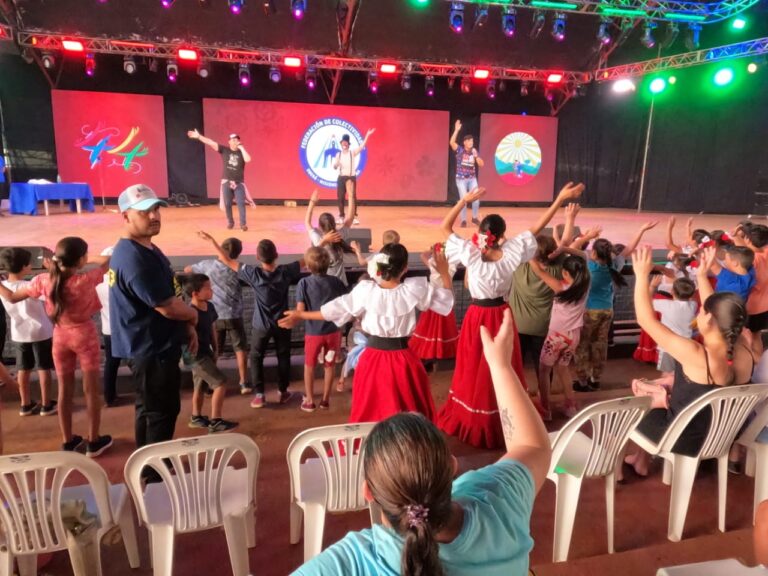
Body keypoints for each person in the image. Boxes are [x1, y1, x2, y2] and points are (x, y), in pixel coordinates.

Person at [292, 309, 552, 576]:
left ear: (368, 492)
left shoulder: (353, 562)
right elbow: (532, 446)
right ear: (452, 466)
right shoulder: (498, 503)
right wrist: (500, 365)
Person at [437, 183, 584, 449]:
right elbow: (538, 227)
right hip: (502, 315)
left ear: (481, 234)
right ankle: (508, 415)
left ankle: (475, 413)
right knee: (505, 365)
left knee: (474, 364)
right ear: (502, 235)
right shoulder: (513, 252)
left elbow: (446, 228)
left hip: (477, 316)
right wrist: (560, 198)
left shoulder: (470, 253)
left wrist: (465, 201)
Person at [280, 243, 454, 423]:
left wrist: (301, 314)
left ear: (379, 266)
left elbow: (333, 310)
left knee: (370, 411)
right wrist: (444, 273)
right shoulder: (414, 290)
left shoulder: (366, 291)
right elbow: (446, 301)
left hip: (372, 361)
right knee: (408, 413)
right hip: (404, 361)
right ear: (404, 269)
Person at [624, 246, 755, 478]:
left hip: (688, 436)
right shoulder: (745, 349)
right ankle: (638, 459)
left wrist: (642, 276)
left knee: (631, 407)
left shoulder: (695, 353)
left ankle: (628, 466)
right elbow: (718, 312)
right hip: (724, 435)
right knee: (664, 390)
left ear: (708, 319)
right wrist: (702, 276)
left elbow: (645, 319)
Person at [0, 238, 113, 457]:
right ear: (81, 260)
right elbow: (107, 261)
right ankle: (93, 441)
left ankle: (68, 440)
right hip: (85, 336)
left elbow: (12, 297)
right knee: (91, 392)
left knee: (64, 391)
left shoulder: (44, 280)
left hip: (60, 337)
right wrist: (80, 261)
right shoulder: (86, 279)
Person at [109, 184, 199, 450]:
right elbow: (167, 306)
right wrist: (192, 315)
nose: (154, 216)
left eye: (156, 209)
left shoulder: (146, 248)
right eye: (144, 211)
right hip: (150, 348)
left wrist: (185, 324)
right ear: (125, 216)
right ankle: (153, 475)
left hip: (153, 345)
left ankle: (148, 467)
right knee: (159, 412)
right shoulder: (135, 259)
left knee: (151, 408)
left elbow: (171, 296)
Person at [198, 232, 303, 409]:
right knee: (283, 356)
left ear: (257, 257)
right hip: (283, 324)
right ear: (276, 255)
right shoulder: (286, 271)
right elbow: (307, 259)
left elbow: (227, 261)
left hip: (261, 325)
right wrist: (323, 241)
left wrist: (213, 241)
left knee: (256, 357)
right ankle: (283, 391)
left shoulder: (253, 273)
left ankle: (260, 394)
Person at [572, 221, 658, 392]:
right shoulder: (614, 265)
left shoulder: (589, 265)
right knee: (600, 345)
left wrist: (587, 236)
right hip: (607, 311)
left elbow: (572, 248)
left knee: (583, 346)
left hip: (589, 312)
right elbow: (628, 250)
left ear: (594, 252)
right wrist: (640, 229)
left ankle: (582, 381)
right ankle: (595, 379)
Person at [508, 204, 580, 404]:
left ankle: (516, 397)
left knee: (515, 364)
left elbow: (513, 245)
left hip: (518, 326)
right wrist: (570, 219)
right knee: (543, 368)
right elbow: (566, 243)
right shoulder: (558, 270)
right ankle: (543, 400)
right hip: (544, 328)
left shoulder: (519, 266)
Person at [184, 238, 251, 394]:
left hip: (215, 316)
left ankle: (211, 383)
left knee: (215, 350)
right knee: (240, 348)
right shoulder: (238, 268)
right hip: (234, 314)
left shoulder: (207, 265)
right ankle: (243, 382)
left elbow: (188, 269)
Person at [528, 255, 591, 420]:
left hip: (556, 336)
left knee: (544, 370)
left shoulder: (560, 287)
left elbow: (538, 270)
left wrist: (529, 253)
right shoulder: (585, 286)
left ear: (564, 273)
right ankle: (570, 406)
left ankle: (545, 409)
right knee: (563, 369)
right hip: (573, 336)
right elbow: (585, 257)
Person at [0, 248, 56, 416]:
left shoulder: (4, 286)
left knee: (22, 369)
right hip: (41, 332)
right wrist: (52, 271)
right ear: (25, 267)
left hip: (19, 334)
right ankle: (46, 404)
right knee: (43, 368)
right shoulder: (31, 285)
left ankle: (25, 404)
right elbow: (50, 291)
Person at [294, 246, 347, 411]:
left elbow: (300, 310)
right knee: (329, 365)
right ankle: (325, 400)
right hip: (333, 332)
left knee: (309, 366)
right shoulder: (336, 282)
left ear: (308, 266)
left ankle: (309, 400)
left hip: (313, 333)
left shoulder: (303, 283)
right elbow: (344, 303)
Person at [185, 273, 238, 433]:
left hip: (204, 353)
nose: (211, 290)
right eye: (207, 288)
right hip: (195, 356)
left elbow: (212, 329)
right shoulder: (189, 311)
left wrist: (215, 349)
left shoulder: (210, 307)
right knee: (220, 383)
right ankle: (216, 420)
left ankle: (196, 417)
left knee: (200, 385)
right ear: (195, 293)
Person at [187, 129, 252, 231]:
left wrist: (242, 148)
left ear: (239, 141)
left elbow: (248, 159)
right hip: (226, 182)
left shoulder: (241, 153)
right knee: (227, 204)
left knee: (241, 203)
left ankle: (243, 224)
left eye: (236, 140)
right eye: (233, 140)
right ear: (229, 142)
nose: (235, 141)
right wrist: (199, 136)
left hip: (239, 183)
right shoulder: (224, 150)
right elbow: (211, 142)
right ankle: (230, 222)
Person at [409, 243, 459, 367]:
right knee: (445, 328)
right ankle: (441, 354)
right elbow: (448, 286)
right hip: (445, 303)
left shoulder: (433, 263)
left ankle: (430, 354)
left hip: (432, 302)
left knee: (428, 328)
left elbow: (423, 255)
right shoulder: (450, 266)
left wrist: (430, 250)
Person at [304, 188, 356, 286]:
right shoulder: (338, 236)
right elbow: (350, 218)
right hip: (341, 286)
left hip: (325, 287)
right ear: (334, 225)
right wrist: (351, 196)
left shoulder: (318, 240)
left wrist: (312, 202)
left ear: (319, 226)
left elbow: (307, 222)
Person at [95, 246, 122, 407]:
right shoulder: (122, 281)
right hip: (126, 327)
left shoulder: (98, 283)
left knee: (111, 363)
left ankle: (109, 396)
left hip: (109, 328)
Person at [333, 129, 375, 225]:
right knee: (340, 198)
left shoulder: (352, 153)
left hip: (351, 178)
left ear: (348, 144)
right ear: (341, 143)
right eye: (343, 142)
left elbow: (362, 146)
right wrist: (336, 164)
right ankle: (341, 216)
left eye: (346, 142)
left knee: (353, 198)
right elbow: (335, 167)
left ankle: (354, 217)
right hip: (341, 178)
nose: (344, 144)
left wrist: (367, 135)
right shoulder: (338, 154)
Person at [449, 119, 484, 228]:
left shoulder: (474, 152)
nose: (471, 143)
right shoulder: (459, 150)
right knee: (464, 199)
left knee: (476, 199)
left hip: (472, 179)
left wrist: (476, 156)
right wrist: (456, 130)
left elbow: (481, 164)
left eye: (472, 141)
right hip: (461, 179)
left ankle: (474, 218)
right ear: (465, 143)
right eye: (469, 141)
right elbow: (451, 143)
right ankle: (463, 220)